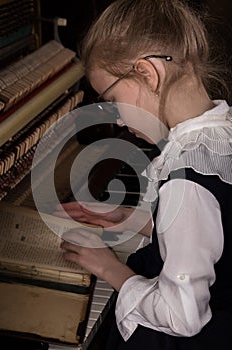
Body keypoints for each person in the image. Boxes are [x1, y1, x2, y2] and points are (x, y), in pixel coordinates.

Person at [53, 0, 232, 349]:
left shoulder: (186, 183)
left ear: (148, 74)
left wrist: (110, 269)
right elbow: (215, 227)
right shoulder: (220, 135)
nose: (118, 120)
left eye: (113, 97)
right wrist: (137, 220)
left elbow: (181, 315)